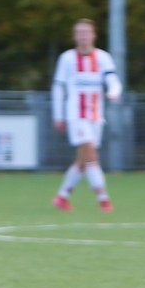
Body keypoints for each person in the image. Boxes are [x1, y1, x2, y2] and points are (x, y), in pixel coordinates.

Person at [50, 18, 122, 212]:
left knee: (82, 161)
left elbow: (113, 80)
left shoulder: (103, 58)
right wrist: (58, 115)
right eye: (79, 32)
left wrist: (114, 92)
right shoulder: (67, 58)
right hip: (76, 116)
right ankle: (103, 200)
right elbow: (58, 88)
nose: (83, 36)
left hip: (96, 117)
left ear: (93, 35)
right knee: (91, 156)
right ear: (75, 36)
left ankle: (62, 197)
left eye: (86, 32)